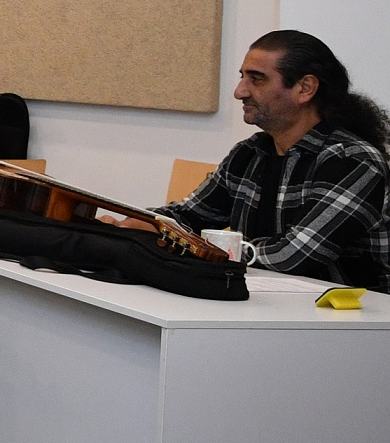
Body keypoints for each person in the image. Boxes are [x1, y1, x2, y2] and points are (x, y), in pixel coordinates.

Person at [154, 30, 390, 289]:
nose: (240, 92)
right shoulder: (249, 153)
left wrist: (206, 250)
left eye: (257, 79)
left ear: (305, 89)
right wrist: (141, 224)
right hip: (264, 302)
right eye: (243, 77)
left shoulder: (353, 161)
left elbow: (293, 257)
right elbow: (187, 217)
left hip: (350, 312)